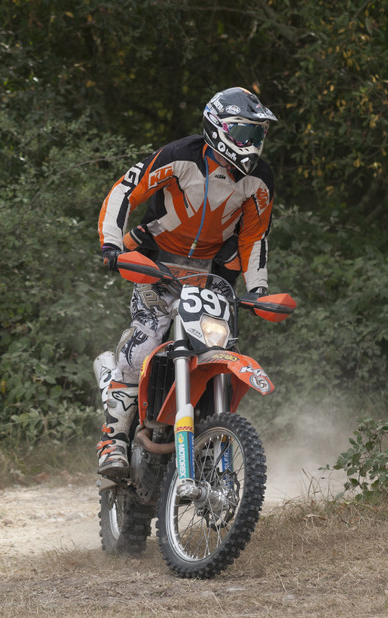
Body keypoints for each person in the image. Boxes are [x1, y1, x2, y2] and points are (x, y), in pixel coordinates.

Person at [95, 86, 278, 478]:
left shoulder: (259, 179)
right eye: (245, 132)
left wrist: (257, 288)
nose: (252, 142)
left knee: (218, 346)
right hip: (156, 265)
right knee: (146, 342)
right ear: (219, 127)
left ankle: (210, 433)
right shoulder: (179, 155)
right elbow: (125, 190)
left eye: (258, 134)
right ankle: (114, 440)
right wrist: (111, 244)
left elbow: (255, 237)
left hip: (212, 276)